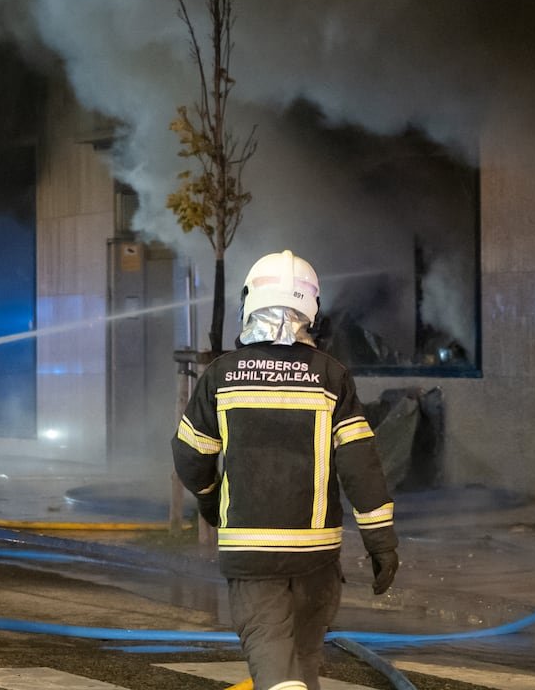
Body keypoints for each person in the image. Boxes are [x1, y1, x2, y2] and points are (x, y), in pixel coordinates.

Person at [171, 250, 399, 690]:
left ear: (249, 303)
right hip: (316, 554)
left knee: (272, 657)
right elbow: (361, 464)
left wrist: (209, 497)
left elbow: (189, 454)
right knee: (305, 657)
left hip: (251, 551)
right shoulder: (331, 377)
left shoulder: (221, 375)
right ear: (312, 309)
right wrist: (381, 543)